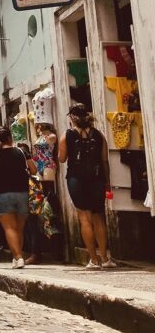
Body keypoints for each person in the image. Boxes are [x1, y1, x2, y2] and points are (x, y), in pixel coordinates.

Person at [59, 103, 116, 269]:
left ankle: (93, 259)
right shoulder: (99, 135)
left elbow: (62, 159)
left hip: (76, 180)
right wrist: (107, 182)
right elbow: (104, 161)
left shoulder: (66, 135)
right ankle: (105, 258)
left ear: (72, 117)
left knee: (84, 218)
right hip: (97, 179)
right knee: (98, 217)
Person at [0, 125, 36, 269]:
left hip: (2, 194)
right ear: (10, 137)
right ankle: (17, 257)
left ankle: (18, 257)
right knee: (19, 228)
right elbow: (33, 169)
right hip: (22, 192)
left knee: (9, 228)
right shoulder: (21, 151)